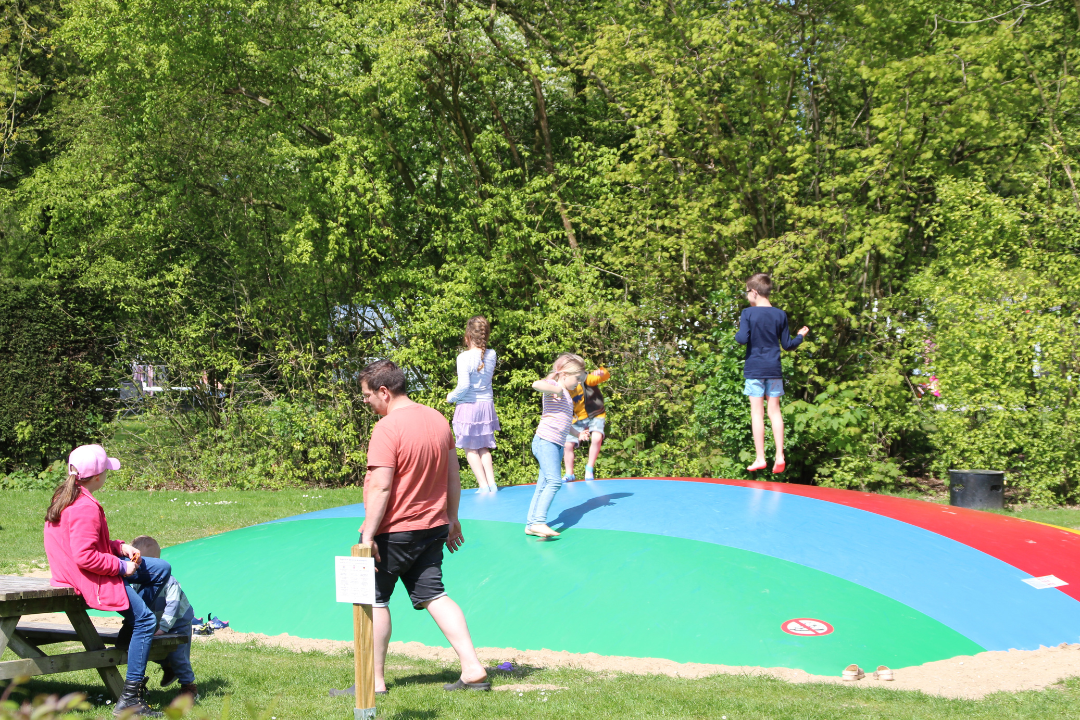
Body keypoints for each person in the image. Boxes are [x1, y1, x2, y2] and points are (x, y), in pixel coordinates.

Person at [358, 359, 490, 693]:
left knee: (374, 600)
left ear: (384, 392)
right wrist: (452, 518)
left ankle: (374, 683)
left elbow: (381, 486)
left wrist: (368, 533)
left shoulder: (387, 428)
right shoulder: (437, 419)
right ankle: (473, 668)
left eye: (367, 395)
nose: (366, 402)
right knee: (435, 595)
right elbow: (452, 476)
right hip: (432, 527)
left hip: (394, 530)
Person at [43, 444, 172, 717]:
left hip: (79, 569)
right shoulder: (84, 507)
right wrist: (121, 567)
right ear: (98, 476)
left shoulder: (69, 494)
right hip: (86, 576)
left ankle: (131, 632)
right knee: (148, 620)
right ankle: (130, 699)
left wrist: (119, 546)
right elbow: (85, 557)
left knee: (161, 569)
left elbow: (88, 543)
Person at [734, 273, 809, 474]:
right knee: (774, 412)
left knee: (757, 413)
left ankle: (760, 457)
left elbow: (742, 339)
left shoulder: (747, 314)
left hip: (755, 370)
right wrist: (800, 337)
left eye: (747, 292)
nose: (746, 296)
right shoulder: (780, 314)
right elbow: (787, 345)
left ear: (755, 292)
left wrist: (737, 333)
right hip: (774, 370)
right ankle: (779, 455)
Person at [130, 535, 198, 703]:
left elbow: (173, 606)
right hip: (159, 622)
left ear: (155, 562)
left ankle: (189, 686)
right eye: (133, 560)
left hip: (178, 622)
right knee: (151, 650)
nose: (135, 565)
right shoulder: (137, 580)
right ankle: (169, 667)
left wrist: (164, 628)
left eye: (140, 561)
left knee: (178, 655)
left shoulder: (169, 581)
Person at [527, 355, 585, 537]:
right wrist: (557, 388)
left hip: (556, 444)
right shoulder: (556, 387)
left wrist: (578, 434)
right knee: (554, 481)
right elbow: (536, 384)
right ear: (565, 374)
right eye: (577, 379)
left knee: (543, 483)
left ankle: (530, 524)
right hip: (546, 442)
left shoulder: (567, 394)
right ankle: (538, 522)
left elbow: (565, 423)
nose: (578, 383)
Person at [446, 316, 500, 492]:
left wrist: (450, 397)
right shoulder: (491, 354)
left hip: (468, 406)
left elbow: (463, 386)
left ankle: (483, 486)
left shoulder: (464, 357)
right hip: (486, 406)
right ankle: (492, 483)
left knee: (470, 448)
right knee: (483, 447)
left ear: (467, 336)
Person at [562, 365, 611, 482]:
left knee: (596, 437)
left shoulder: (586, 379)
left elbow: (605, 375)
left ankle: (589, 467)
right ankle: (569, 473)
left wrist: (601, 372)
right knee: (567, 445)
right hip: (575, 419)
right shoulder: (561, 387)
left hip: (594, 414)